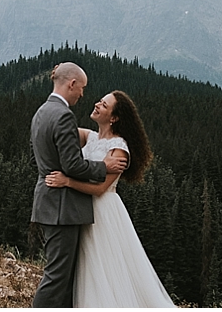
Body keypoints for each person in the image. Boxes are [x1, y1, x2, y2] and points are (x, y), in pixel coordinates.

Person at [45, 90, 175, 307]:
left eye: (104, 105)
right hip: (84, 209)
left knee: (102, 266)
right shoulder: (91, 137)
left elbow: (100, 189)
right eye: (100, 101)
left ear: (114, 118)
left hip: (103, 212)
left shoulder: (119, 149)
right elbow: (62, 129)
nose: (97, 104)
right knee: (88, 267)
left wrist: (67, 182)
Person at [30, 63, 128, 308]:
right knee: (57, 277)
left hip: (51, 202)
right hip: (63, 207)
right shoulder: (63, 115)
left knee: (67, 276)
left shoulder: (43, 111)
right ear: (72, 84)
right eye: (82, 88)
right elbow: (73, 165)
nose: (84, 95)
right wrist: (103, 166)